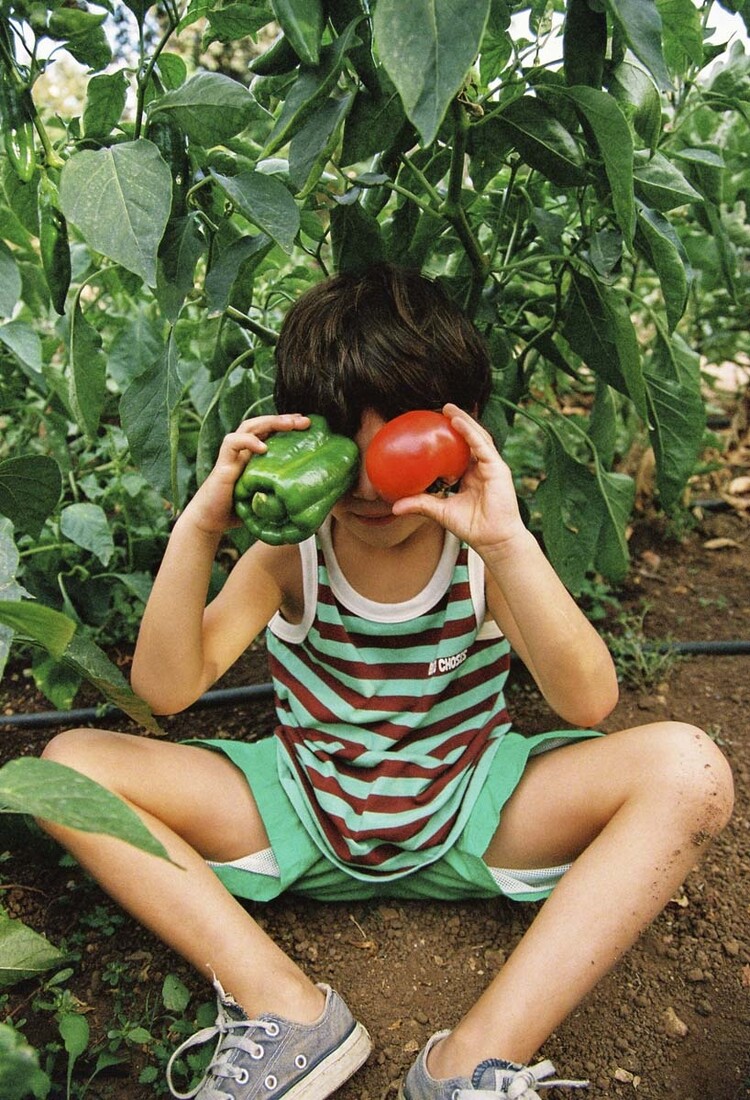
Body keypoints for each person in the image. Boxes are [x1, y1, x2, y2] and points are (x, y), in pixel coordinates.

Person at [39, 264, 734, 1100]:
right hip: (304, 805)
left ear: (458, 431)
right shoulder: (288, 554)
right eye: (340, 441)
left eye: (397, 440)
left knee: (689, 770)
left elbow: (587, 701)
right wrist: (203, 523)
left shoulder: (482, 548)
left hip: (475, 809)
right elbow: (168, 689)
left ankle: (469, 1061)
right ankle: (286, 1010)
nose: (367, 482)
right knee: (65, 769)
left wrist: (509, 544)